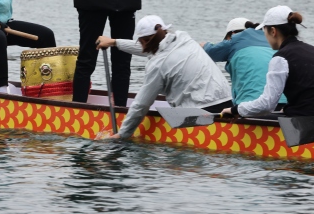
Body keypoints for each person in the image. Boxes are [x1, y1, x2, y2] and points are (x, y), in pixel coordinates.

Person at [96, 15, 232, 140]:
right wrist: (114, 42)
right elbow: (151, 48)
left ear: (143, 40)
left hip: (202, 114)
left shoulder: (158, 64)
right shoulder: (184, 39)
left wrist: (122, 134)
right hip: (229, 105)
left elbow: (141, 104)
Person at [221, 6, 314, 122]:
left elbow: (267, 105)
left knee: (246, 118)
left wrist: (235, 110)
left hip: (312, 124)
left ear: (273, 31)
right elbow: (312, 92)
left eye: (264, 31)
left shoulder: (281, 58)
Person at [201, 17, 287, 106]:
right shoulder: (272, 42)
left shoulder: (235, 40)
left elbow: (209, 52)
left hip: (251, 104)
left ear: (232, 34)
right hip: (283, 103)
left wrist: (204, 45)